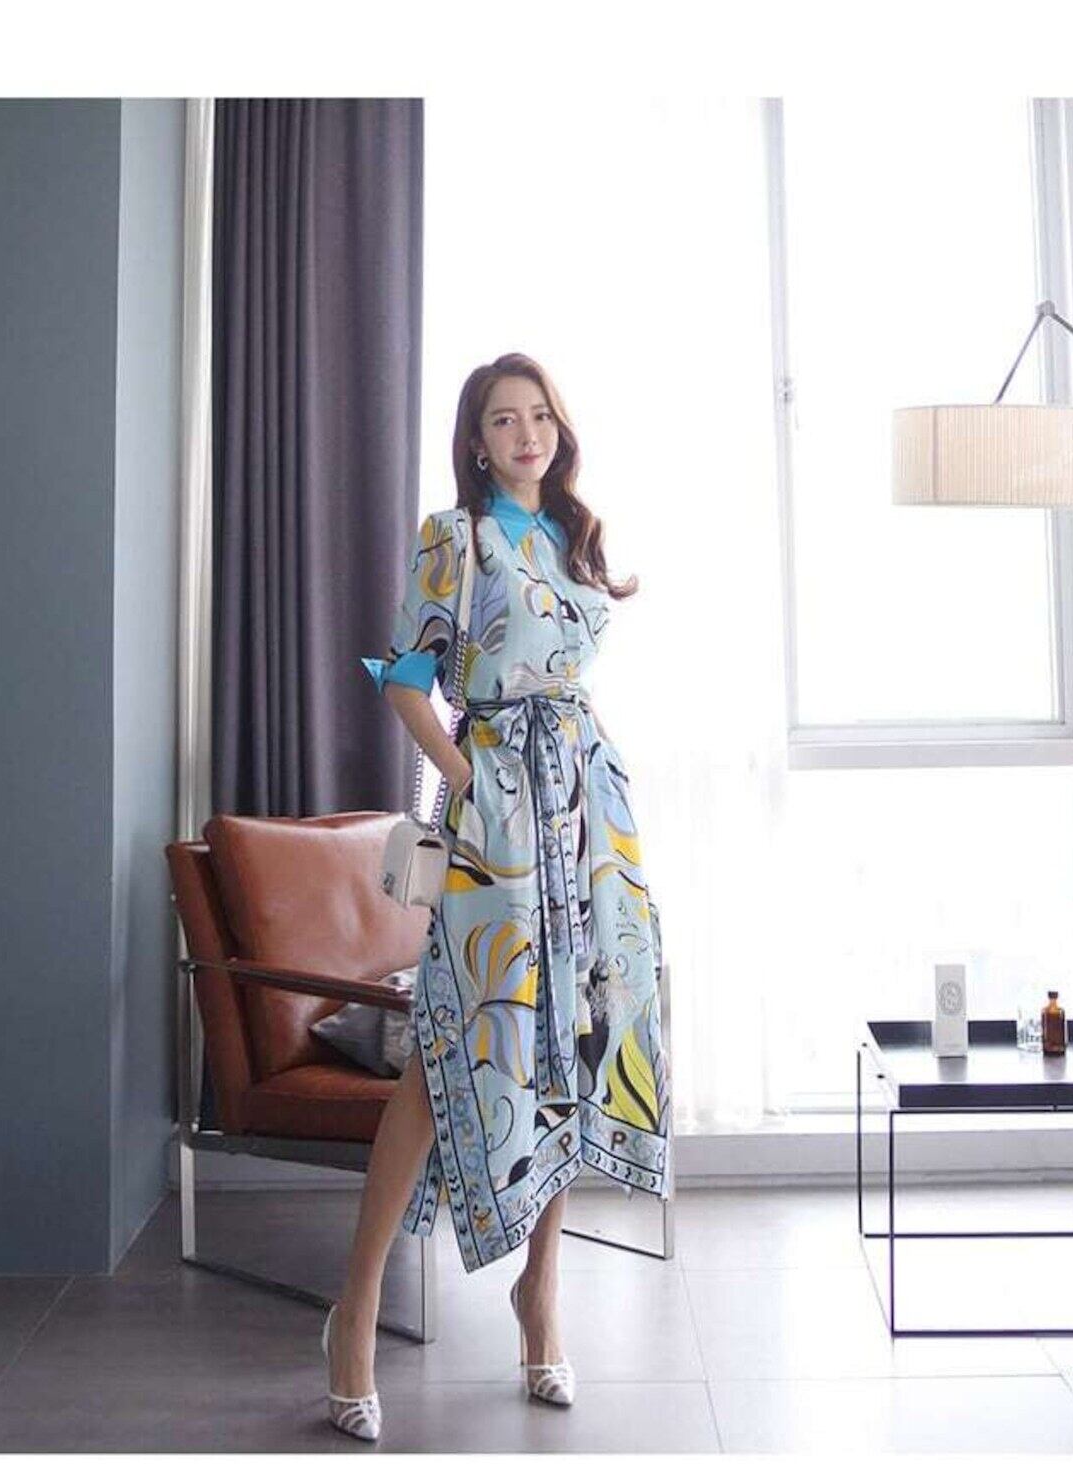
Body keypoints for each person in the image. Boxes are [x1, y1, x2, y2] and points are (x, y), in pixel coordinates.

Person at [325, 353, 672, 1441]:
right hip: (499, 817)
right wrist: (469, 779)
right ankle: (355, 1311)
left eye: (539, 416)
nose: (526, 434)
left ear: (558, 430)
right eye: (502, 420)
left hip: (588, 812)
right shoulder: (455, 537)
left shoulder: (573, 534)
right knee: (449, 1049)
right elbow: (405, 682)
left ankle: (540, 1296)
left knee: (573, 1041)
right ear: (475, 442)